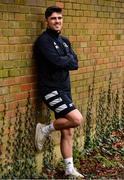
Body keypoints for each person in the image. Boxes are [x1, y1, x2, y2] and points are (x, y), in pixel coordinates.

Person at [34, 6, 84, 178]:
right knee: (76, 119)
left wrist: (65, 60)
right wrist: (65, 60)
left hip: (64, 89)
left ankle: (69, 169)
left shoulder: (65, 41)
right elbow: (57, 62)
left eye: (60, 18)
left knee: (68, 131)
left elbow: (74, 62)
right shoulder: (44, 41)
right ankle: (44, 129)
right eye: (54, 18)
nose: (57, 21)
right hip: (51, 90)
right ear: (47, 20)